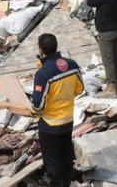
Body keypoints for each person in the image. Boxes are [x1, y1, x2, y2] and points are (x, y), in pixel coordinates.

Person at [31, 33, 83, 187]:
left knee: (52, 161)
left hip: (50, 125)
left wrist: (34, 111)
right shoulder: (72, 65)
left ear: (41, 50)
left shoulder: (43, 73)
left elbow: (38, 106)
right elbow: (79, 90)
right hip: (67, 121)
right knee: (66, 156)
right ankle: (66, 183)